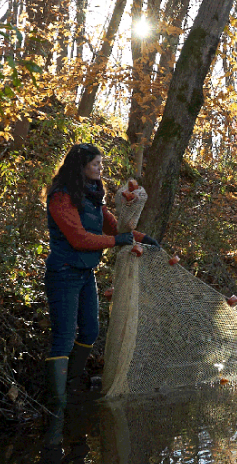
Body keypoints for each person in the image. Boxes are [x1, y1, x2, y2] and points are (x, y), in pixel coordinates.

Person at [43, 143, 159, 408]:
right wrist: (118, 240)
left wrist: (144, 239)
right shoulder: (61, 197)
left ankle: (70, 388)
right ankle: (56, 403)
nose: (100, 168)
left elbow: (115, 227)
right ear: (80, 166)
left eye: (100, 163)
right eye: (96, 163)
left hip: (84, 274)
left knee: (90, 331)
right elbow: (79, 238)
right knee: (63, 336)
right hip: (63, 272)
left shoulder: (93, 196)